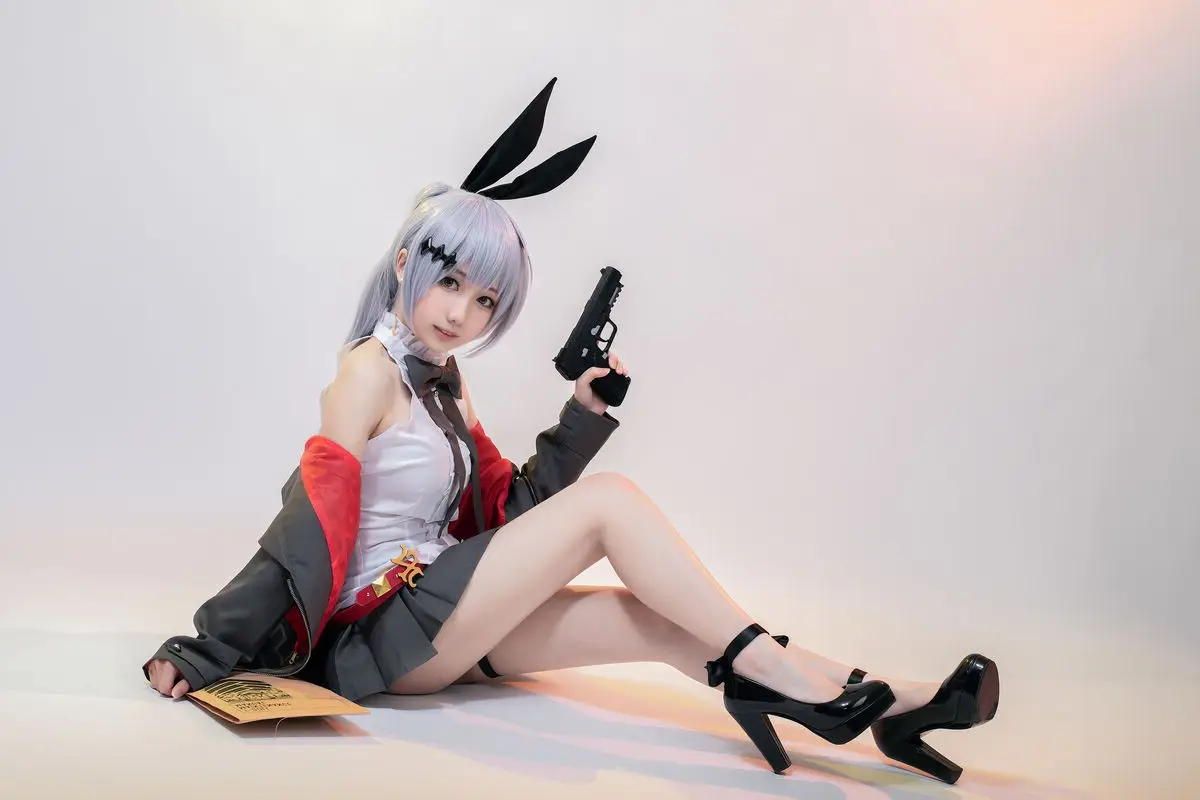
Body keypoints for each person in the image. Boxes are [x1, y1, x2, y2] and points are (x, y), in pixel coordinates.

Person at [142, 78, 999, 785]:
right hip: (384, 634)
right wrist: (207, 646)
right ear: (406, 261)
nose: (463, 314)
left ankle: (892, 703)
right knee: (610, 504)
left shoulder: (444, 380)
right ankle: (780, 678)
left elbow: (511, 516)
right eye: (452, 282)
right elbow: (306, 525)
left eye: (486, 299)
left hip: (448, 617)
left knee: (652, 621)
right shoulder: (367, 371)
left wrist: (584, 416)